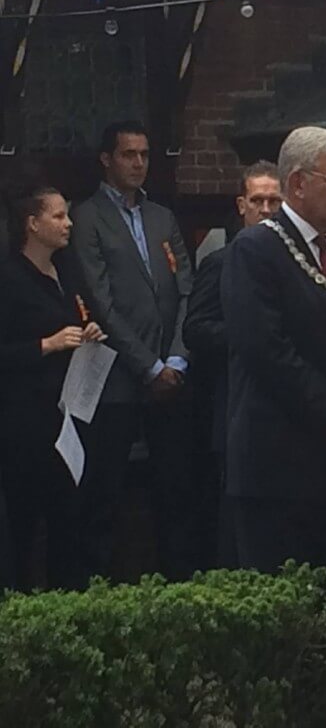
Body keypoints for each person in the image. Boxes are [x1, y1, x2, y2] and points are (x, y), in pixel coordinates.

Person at [221, 126, 326, 615]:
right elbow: (264, 349)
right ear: (296, 183)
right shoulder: (254, 251)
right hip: (278, 462)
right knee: (286, 614)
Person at [70, 120, 198, 582]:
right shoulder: (85, 217)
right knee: (106, 491)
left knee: (175, 488)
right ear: (107, 159)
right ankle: (97, 588)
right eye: (129, 154)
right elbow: (98, 301)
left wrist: (178, 356)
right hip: (118, 377)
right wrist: (148, 365)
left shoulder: (162, 216)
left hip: (172, 371)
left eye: (144, 154)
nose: (139, 163)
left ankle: (177, 585)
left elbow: (187, 287)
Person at [0, 186, 108, 590]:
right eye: (59, 216)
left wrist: (90, 331)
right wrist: (45, 345)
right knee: (25, 526)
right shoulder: (9, 279)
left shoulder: (68, 271)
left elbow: (83, 316)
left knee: (70, 521)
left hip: (69, 419)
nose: (68, 224)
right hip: (25, 424)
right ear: (33, 224)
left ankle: (70, 603)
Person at [183, 161, 282, 566]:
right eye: (257, 200)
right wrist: (247, 339)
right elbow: (196, 329)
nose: (266, 208)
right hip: (237, 405)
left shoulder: (300, 259)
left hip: (289, 409)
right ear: (241, 205)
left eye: (274, 201)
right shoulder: (221, 263)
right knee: (237, 517)